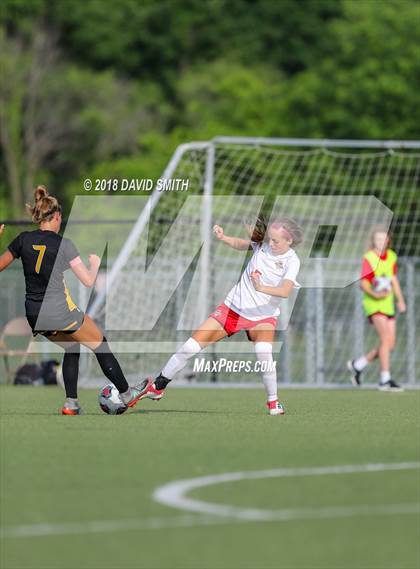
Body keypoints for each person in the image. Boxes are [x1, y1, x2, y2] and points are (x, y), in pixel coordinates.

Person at [133, 216, 302, 415]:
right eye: (270, 239)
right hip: (232, 310)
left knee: (265, 356)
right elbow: (243, 244)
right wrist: (224, 238)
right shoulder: (263, 245)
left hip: (263, 317)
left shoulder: (292, 260)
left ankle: (273, 403)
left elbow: (285, 291)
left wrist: (261, 287)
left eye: (276, 241)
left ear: (289, 241)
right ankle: (158, 387)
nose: (270, 243)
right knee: (189, 347)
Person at [0, 186, 145, 414]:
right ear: (56, 216)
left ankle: (71, 404)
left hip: (35, 314)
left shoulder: (22, 239)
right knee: (100, 343)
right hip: (59, 311)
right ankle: (128, 393)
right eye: (61, 218)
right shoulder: (63, 244)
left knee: (72, 346)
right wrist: (95, 264)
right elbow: (88, 281)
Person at [347, 227, 406, 391]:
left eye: (383, 238)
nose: (380, 242)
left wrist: (400, 300)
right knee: (386, 340)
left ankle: (358, 365)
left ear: (388, 240)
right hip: (374, 304)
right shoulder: (369, 258)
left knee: (389, 344)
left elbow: (393, 280)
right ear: (373, 241)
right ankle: (385, 379)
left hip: (388, 304)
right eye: (377, 239)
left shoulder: (392, 256)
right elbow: (363, 283)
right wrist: (375, 294)